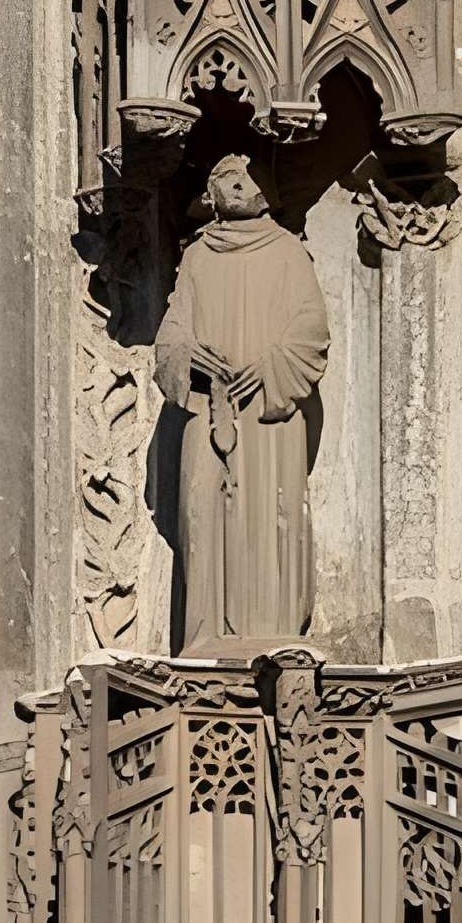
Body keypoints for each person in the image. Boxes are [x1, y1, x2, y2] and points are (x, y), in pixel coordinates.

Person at [154, 156, 330, 651]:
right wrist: (191, 356)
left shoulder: (288, 252)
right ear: (210, 196)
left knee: (270, 515)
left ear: (265, 188)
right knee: (200, 511)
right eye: (226, 180)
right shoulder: (197, 257)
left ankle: (272, 642)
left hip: (268, 414)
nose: (237, 186)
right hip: (208, 408)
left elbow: (312, 331)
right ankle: (203, 639)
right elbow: (171, 336)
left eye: (245, 178)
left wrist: (270, 367)